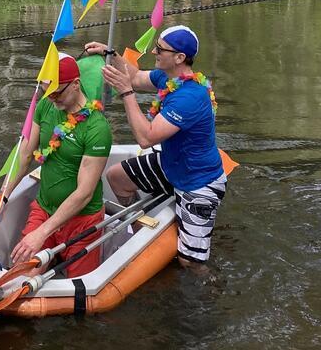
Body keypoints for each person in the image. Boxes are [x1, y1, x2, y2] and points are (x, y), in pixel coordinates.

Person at [93, 25, 227, 266]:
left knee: (190, 263)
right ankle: (138, 229)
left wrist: (127, 93)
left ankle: (207, 291)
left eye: (160, 49)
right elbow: (134, 76)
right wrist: (109, 54)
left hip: (198, 182)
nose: (154, 52)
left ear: (179, 58)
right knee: (117, 178)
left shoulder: (190, 97)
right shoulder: (168, 78)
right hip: (171, 164)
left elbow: (146, 138)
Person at [0, 55, 111, 277]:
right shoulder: (46, 105)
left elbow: (84, 193)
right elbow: (25, 154)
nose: (52, 99)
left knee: (79, 283)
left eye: (58, 93)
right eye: (47, 93)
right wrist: (2, 197)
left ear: (76, 84)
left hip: (82, 221)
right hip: (44, 210)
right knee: (21, 277)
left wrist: (42, 233)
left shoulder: (98, 128)